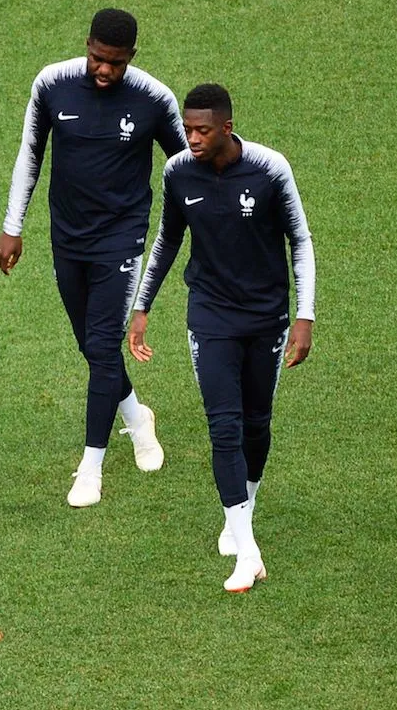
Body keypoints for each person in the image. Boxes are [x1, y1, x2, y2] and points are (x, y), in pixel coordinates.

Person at [0, 9, 186, 508]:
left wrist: (211, 230)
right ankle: (137, 416)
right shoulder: (52, 84)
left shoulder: (154, 99)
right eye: (98, 58)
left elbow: (187, 168)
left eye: (115, 63)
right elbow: (30, 154)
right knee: (91, 344)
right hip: (67, 240)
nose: (104, 70)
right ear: (87, 45)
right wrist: (13, 226)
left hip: (121, 241)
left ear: (131, 57)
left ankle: (91, 468)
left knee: (101, 347)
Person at [128, 83, 316, 592]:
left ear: (227, 128)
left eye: (202, 130)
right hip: (210, 316)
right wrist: (141, 307)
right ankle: (247, 551)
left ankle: (242, 514)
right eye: (187, 129)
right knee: (224, 427)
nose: (191, 138)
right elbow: (168, 239)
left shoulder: (270, 168)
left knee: (257, 422)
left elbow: (299, 240)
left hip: (267, 318)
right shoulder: (177, 172)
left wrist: (305, 316)